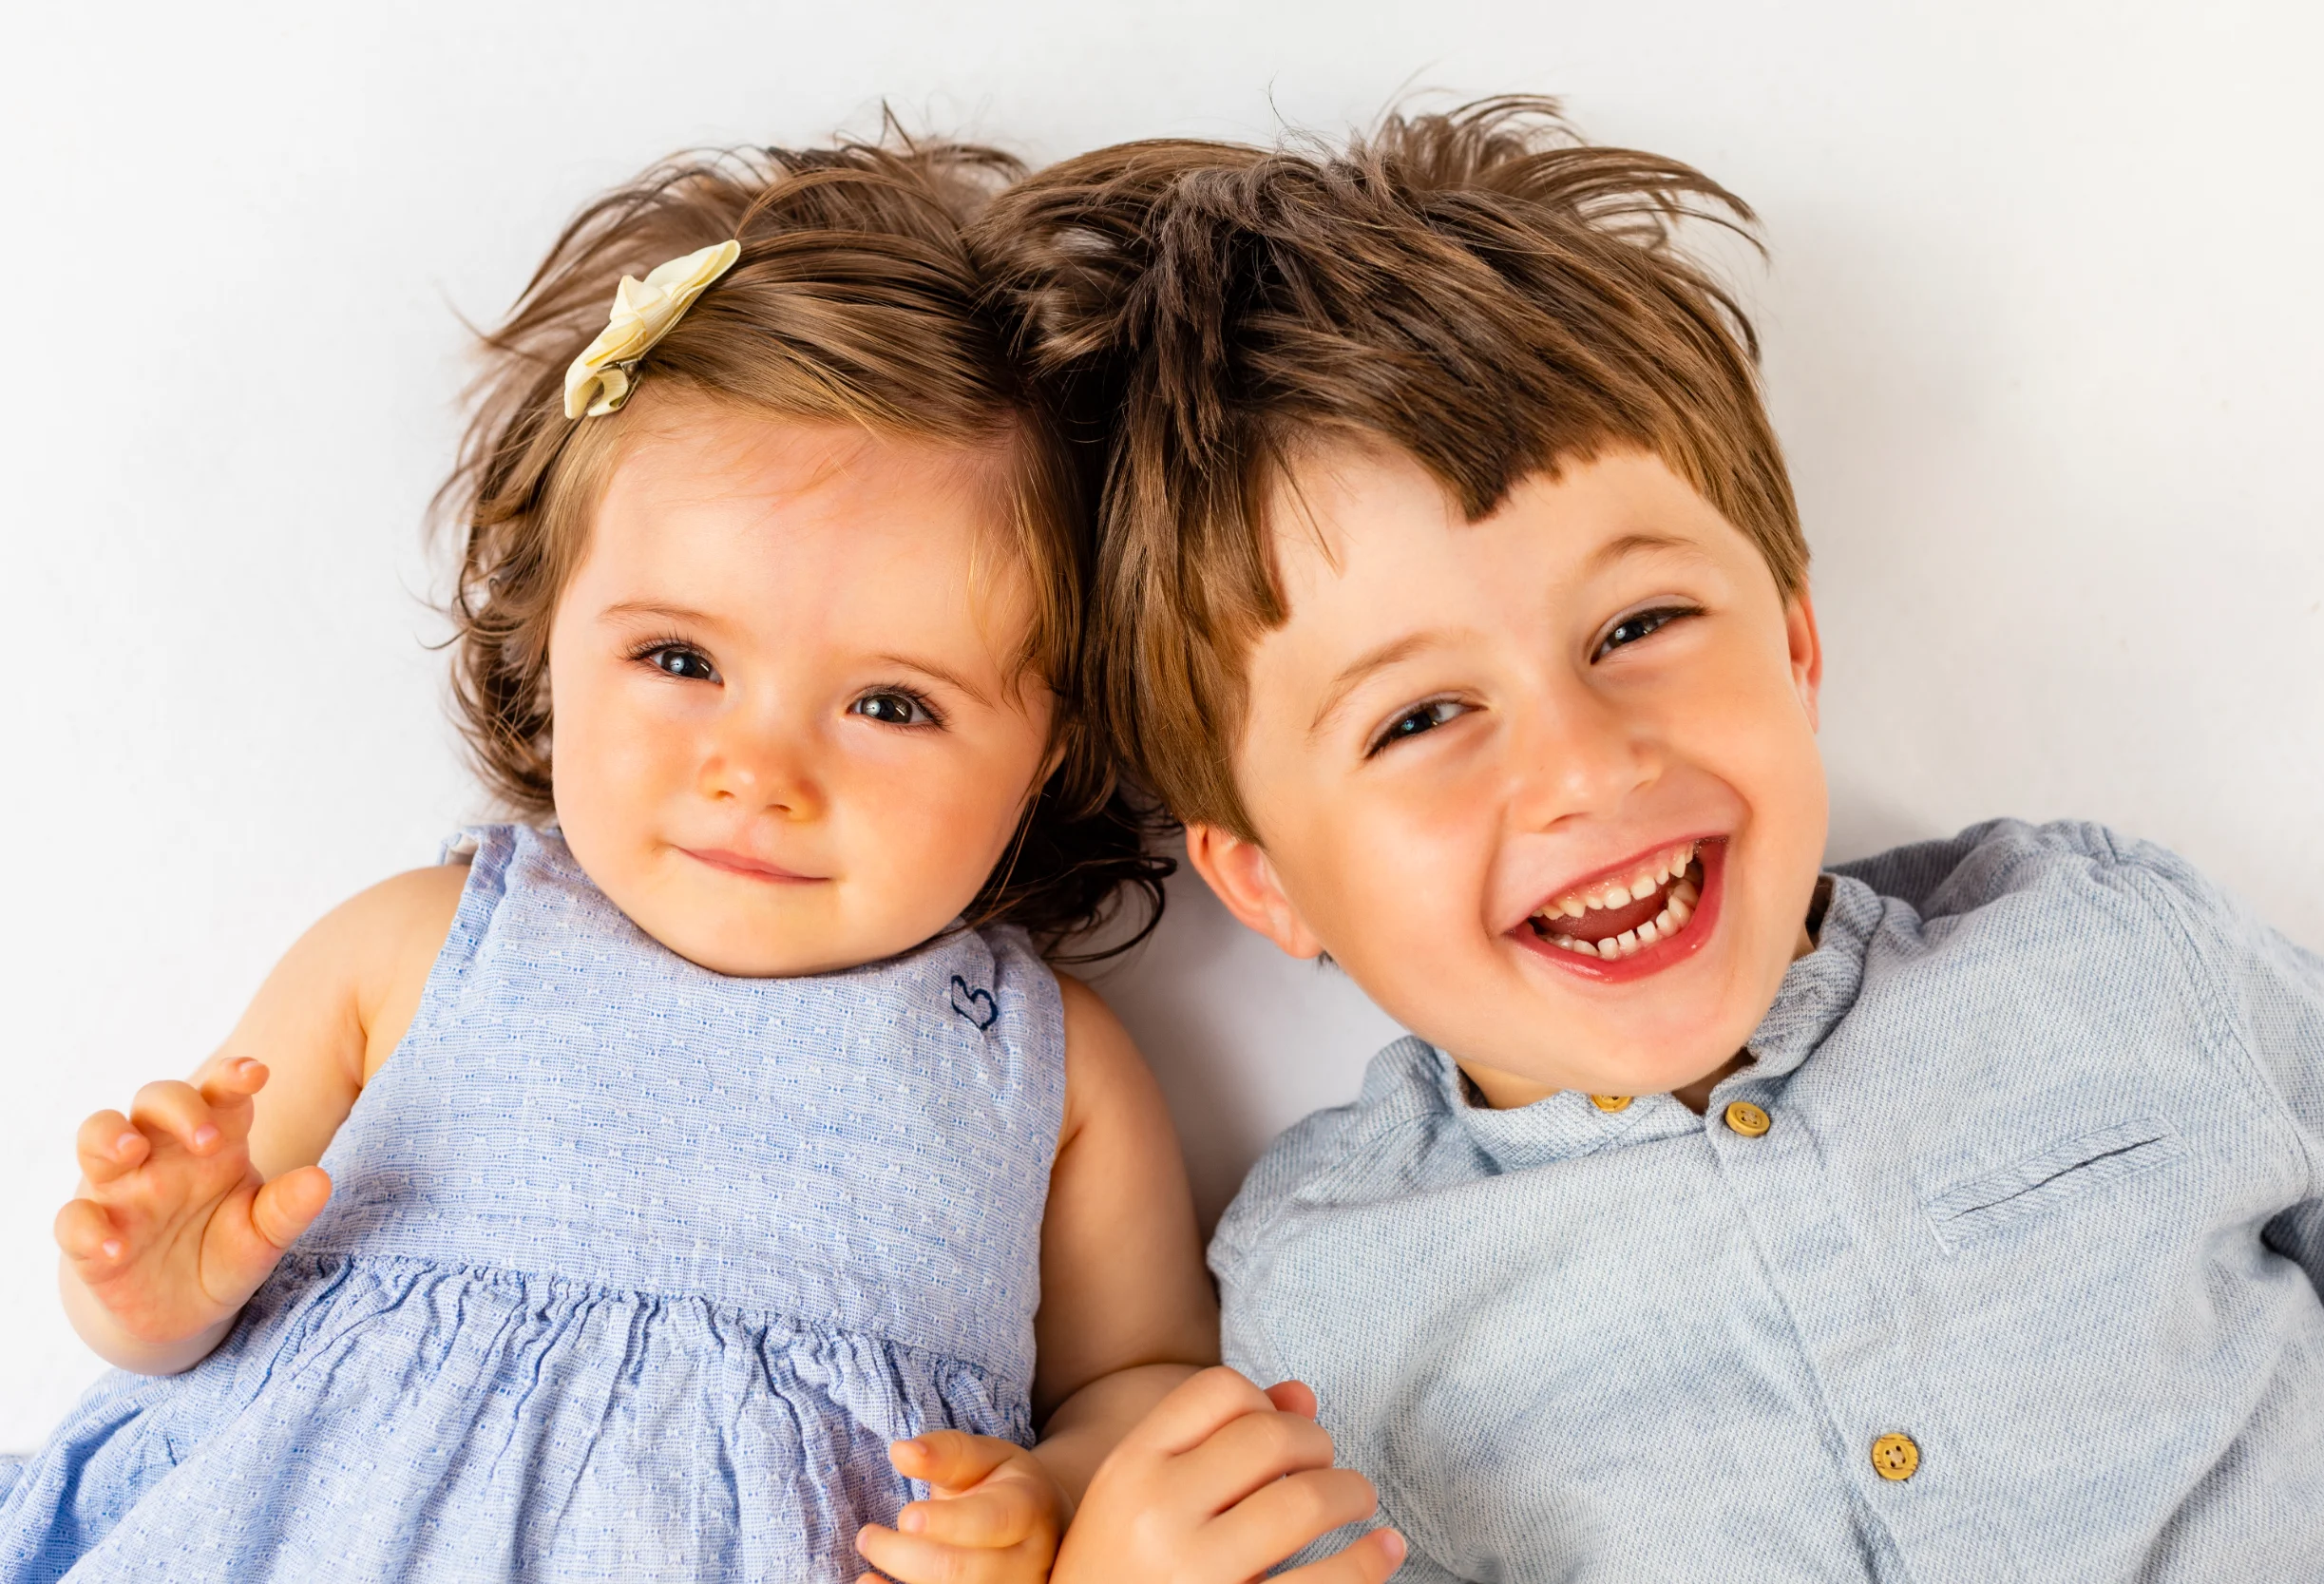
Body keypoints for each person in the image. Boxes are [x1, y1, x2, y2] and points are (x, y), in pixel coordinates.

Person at [983, 98, 2324, 1580]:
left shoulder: (2105, 952)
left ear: (1793, 644)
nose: (1586, 765)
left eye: (1639, 625)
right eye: (1418, 717)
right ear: (1266, 882)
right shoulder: (1329, 1292)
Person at [1, 133, 1355, 1584]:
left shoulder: (1046, 1065)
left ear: (1056, 748)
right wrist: (150, 1290)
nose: (759, 772)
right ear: (548, 646)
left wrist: (1050, 1488)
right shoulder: (417, 950)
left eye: (892, 704)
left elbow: (1135, 1380)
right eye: (679, 657)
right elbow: (185, 1322)